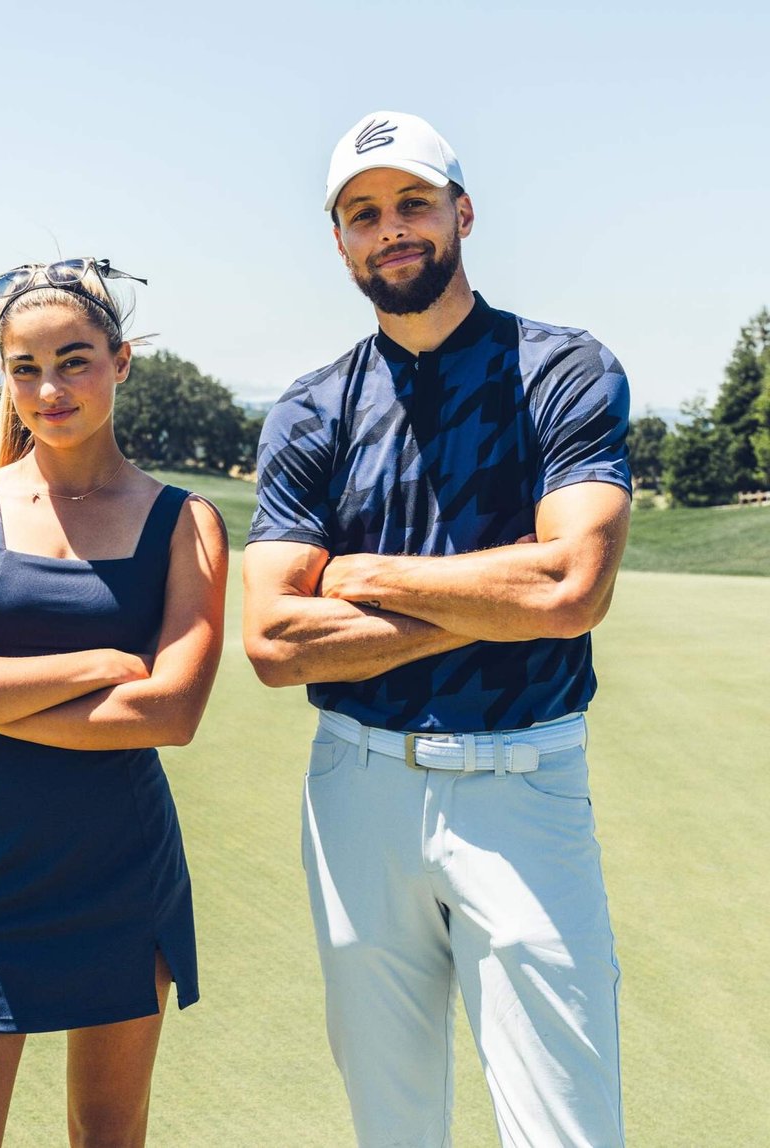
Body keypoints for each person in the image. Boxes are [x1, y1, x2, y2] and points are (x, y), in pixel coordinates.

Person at [243, 111, 631, 1148]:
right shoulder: (310, 410)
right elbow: (276, 641)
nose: (391, 229)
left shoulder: (560, 369)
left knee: (567, 1130)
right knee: (392, 1128)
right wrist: (489, 602)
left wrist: (367, 581)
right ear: (339, 242)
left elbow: (570, 587)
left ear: (462, 211)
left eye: (412, 202)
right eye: (362, 214)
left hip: (523, 785)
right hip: (356, 791)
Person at [0, 256, 227, 1148]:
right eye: (25, 367)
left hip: (120, 870)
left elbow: (170, 714)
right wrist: (97, 662)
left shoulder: (186, 522)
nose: (49, 388)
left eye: (74, 360)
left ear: (122, 361)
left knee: (106, 1138)